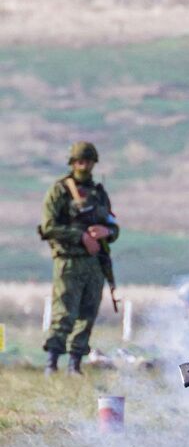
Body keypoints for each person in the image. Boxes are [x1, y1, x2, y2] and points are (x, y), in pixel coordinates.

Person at [38, 141, 118, 375]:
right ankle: (51, 364)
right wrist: (81, 236)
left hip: (94, 264)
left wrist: (107, 233)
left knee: (88, 314)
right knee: (64, 313)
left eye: (88, 162)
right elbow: (49, 227)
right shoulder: (60, 191)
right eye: (80, 161)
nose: (84, 166)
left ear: (94, 163)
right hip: (69, 262)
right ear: (72, 163)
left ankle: (75, 364)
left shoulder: (99, 194)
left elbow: (113, 226)